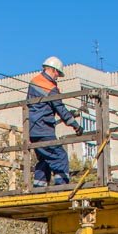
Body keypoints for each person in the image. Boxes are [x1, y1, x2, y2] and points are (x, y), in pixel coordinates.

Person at [27, 56, 84, 187]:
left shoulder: (34, 82)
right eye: (58, 73)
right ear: (53, 70)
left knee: (45, 159)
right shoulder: (50, 87)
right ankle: (62, 186)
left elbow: (37, 108)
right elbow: (61, 110)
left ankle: (38, 188)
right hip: (44, 129)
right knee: (60, 156)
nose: (57, 77)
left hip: (32, 130)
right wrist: (76, 126)